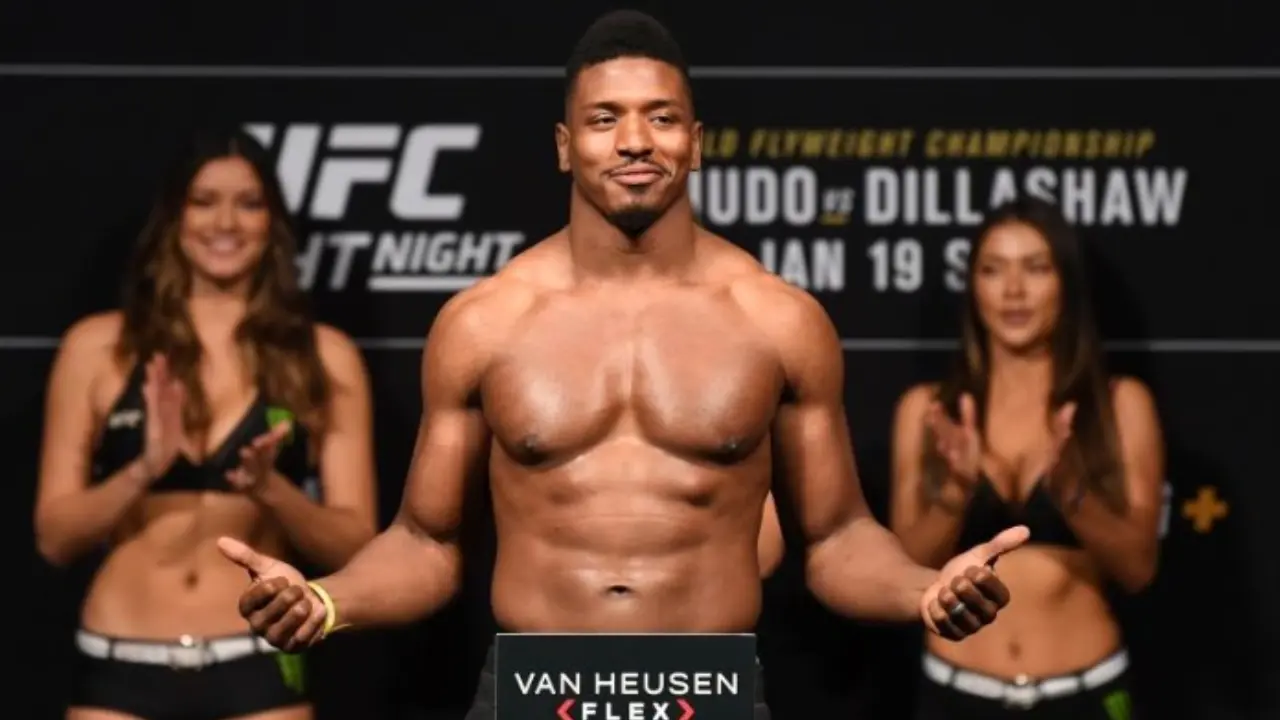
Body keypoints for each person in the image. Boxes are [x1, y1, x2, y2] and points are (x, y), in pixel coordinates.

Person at [218, 12, 1027, 720]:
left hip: (707, 691)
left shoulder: (777, 321)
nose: (635, 140)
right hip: (535, 691)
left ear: (696, 143)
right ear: (565, 146)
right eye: (605, 119)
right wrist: (328, 600)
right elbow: (424, 544)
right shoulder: (485, 323)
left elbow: (837, 539)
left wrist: (923, 588)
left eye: (661, 118)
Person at [34, 128, 379, 720]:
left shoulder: (324, 356)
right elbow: (55, 538)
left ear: (272, 222)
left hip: (259, 662)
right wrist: (143, 469)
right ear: (174, 215)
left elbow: (357, 546)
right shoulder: (96, 348)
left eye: (249, 204)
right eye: (204, 201)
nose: (226, 222)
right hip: (119, 662)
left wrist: (273, 489)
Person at [888, 197, 1165, 719]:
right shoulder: (928, 410)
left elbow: (1138, 569)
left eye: (1036, 268)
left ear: (1067, 283)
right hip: (957, 694)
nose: (1013, 290)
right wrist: (955, 493)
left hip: (1086, 693)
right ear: (973, 285)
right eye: (993, 270)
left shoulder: (1118, 404)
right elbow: (905, 574)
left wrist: (1071, 494)